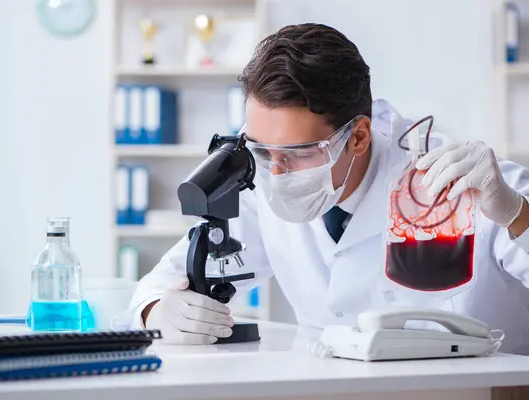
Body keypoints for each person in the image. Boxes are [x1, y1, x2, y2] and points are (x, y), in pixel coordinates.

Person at [114, 24, 529, 355]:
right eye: (261, 150)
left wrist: (517, 214)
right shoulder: (263, 186)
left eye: (297, 153)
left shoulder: (469, 185)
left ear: (359, 137)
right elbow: (158, 286)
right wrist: (158, 311)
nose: (276, 172)